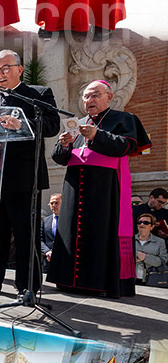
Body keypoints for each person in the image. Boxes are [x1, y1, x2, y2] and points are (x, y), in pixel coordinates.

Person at [0, 49, 59, 295]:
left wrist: (24, 124)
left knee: (24, 234)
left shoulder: (37, 95)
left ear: (19, 69)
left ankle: (27, 285)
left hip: (24, 178)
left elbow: (53, 125)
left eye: (5, 68)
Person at [50, 80, 151, 297]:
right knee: (72, 233)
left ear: (109, 97)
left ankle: (101, 284)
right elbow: (60, 158)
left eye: (96, 95)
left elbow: (125, 146)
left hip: (104, 190)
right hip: (74, 188)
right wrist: (63, 145)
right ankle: (69, 282)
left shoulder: (124, 119)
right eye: (86, 96)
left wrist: (96, 135)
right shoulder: (78, 124)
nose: (90, 100)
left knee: (100, 234)